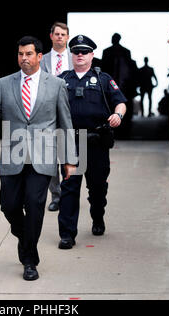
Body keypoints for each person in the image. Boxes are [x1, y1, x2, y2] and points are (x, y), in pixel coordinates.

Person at [0, 36, 77, 281]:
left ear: (39, 57)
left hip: (43, 156)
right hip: (13, 155)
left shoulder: (55, 85)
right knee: (9, 205)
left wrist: (69, 160)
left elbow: (65, 124)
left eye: (28, 54)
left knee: (35, 205)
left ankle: (29, 260)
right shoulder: (5, 83)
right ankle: (25, 239)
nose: (23, 58)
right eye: (20, 54)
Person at [57, 35, 127, 249]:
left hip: (96, 143)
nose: (80, 54)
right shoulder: (61, 80)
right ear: (71, 54)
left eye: (84, 51)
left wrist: (118, 116)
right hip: (70, 142)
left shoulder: (103, 78)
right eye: (76, 51)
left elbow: (120, 102)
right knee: (69, 188)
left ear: (92, 55)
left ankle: (98, 216)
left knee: (97, 188)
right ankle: (67, 235)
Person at [40, 22, 73, 212]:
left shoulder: (74, 58)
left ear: (67, 37)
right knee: (50, 156)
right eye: (57, 34)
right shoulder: (42, 59)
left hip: (69, 111)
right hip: (48, 113)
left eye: (63, 34)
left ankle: (69, 193)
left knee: (69, 153)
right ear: (51, 36)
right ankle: (56, 195)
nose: (60, 37)